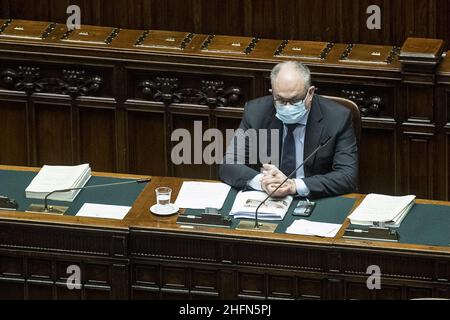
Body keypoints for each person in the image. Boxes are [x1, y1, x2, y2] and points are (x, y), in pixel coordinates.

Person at [219, 61, 358, 199]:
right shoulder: (256, 112)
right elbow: (229, 165)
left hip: (313, 198)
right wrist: (263, 182)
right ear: (272, 93)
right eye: (280, 100)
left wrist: (293, 186)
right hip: (268, 198)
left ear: (310, 93)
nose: (287, 106)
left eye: (295, 100)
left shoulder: (337, 118)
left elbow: (347, 176)